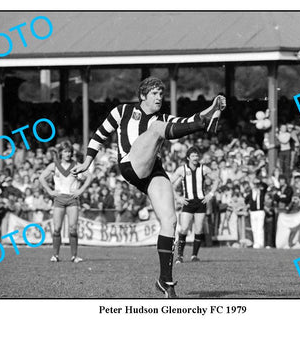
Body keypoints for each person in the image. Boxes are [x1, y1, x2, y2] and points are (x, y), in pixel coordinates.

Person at [71, 77, 226, 298]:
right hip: (130, 164)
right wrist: (87, 161)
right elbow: (100, 134)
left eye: (161, 94)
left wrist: (212, 107)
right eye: (154, 93)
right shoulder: (123, 111)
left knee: (170, 221)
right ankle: (205, 126)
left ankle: (165, 281)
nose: (159, 97)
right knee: (156, 128)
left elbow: (186, 120)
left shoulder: (163, 118)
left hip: (153, 170)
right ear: (143, 95)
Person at [39, 141, 92, 263]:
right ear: (61, 153)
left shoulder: (77, 165)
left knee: (73, 228)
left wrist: (81, 190)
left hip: (72, 199)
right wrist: (50, 191)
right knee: (57, 229)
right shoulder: (54, 165)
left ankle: (74, 255)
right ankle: (55, 255)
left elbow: (89, 176)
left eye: (69, 152)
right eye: (65, 152)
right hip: (59, 199)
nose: (68, 154)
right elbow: (41, 178)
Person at [172, 146, 219, 263]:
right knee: (184, 229)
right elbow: (170, 183)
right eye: (193, 156)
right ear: (188, 158)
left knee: (198, 229)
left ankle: (194, 256)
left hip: (200, 202)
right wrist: (178, 198)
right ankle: (180, 256)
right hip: (188, 203)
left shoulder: (203, 169)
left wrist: (211, 194)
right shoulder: (181, 169)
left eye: (197, 156)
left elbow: (217, 180)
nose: (195, 158)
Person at [244, 176, 268, 249]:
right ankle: (256, 242)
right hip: (253, 212)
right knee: (254, 228)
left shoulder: (261, 191)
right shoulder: (251, 192)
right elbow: (246, 200)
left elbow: (265, 186)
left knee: (260, 228)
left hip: (260, 211)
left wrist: (259, 182)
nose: (255, 186)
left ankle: (260, 243)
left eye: (256, 184)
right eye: (254, 184)